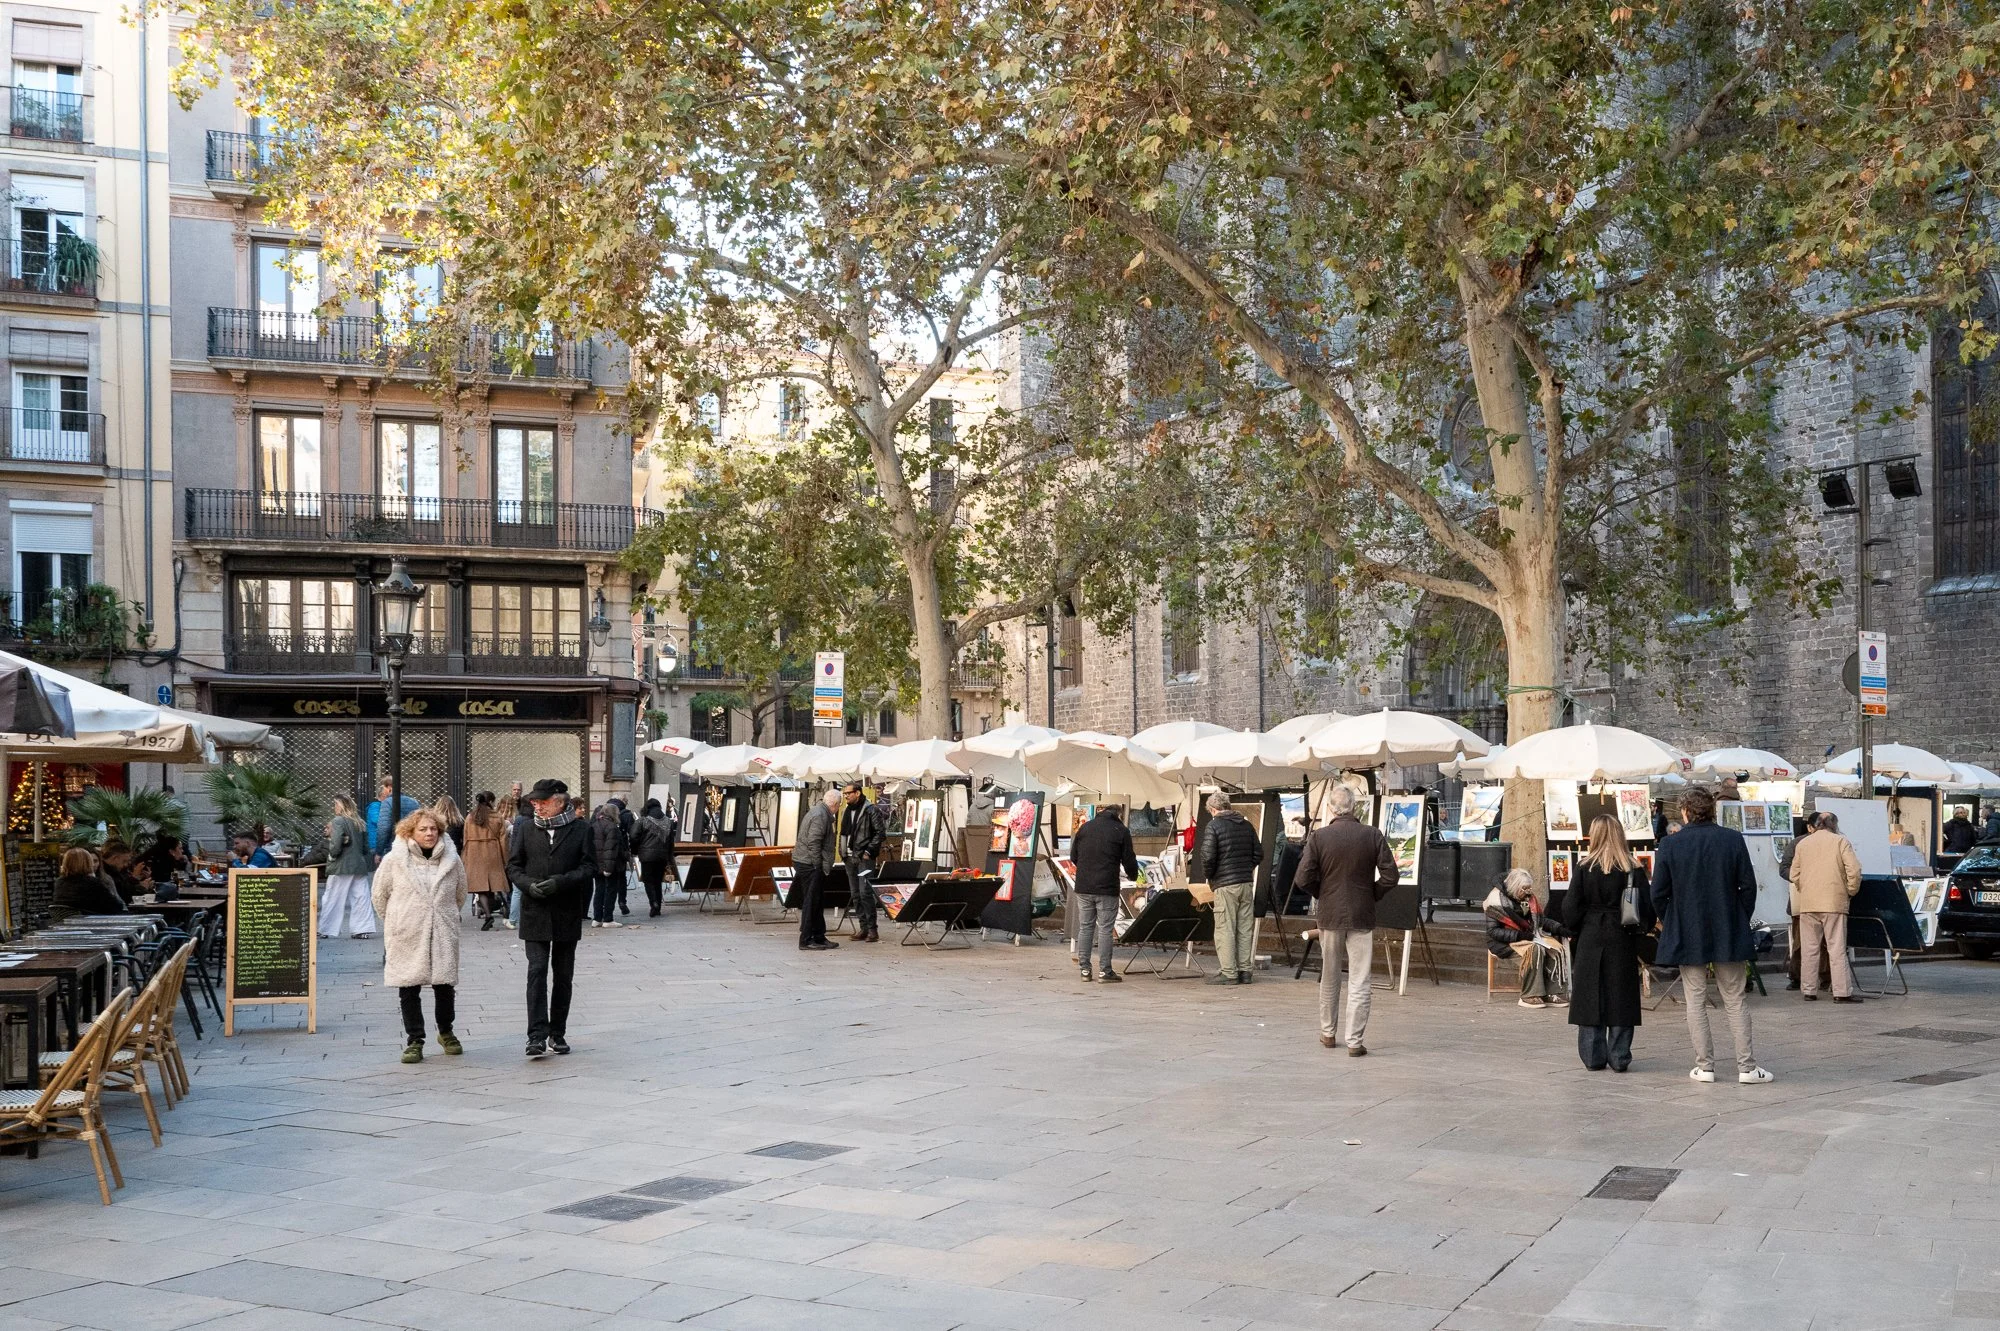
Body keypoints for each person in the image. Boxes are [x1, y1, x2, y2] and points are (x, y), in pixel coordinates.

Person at [1651, 786, 1773, 1085]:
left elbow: (1658, 892)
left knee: (1695, 998)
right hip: (1727, 926)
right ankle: (1746, 1067)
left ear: (1684, 812)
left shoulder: (1670, 845)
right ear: (1713, 810)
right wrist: (1739, 917)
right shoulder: (1732, 840)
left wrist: (1671, 919)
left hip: (1688, 928)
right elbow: (1748, 885)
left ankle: (1705, 1066)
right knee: (1735, 998)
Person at [1295, 785, 1396, 1056]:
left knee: (1329, 975)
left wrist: (1323, 892)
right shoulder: (1372, 835)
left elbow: (1303, 878)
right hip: (1362, 912)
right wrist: (1371, 893)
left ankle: (1328, 1033)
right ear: (1353, 807)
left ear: (1331, 808)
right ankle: (1354, 1041)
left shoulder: (1319, 837)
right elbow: (1391, 876)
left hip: (1329, 913)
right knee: (1360, 979)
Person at [507, 778, 597, 1057]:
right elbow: (513, 866)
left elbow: (590, 866)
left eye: (543, 802)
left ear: (560, 802)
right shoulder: (525, 828)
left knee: (563, 974)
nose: (538, 806)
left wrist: (562, 881)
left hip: (566, 909)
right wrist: (527, 885)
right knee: (536, 971)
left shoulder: (581, 829)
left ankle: (557, 1033)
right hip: (535, 910)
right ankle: (536, 1035)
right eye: (535, 802)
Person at [372, 809, 467, 1063]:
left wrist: (443, 916)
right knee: (409, 986)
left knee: (444, 984)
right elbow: (379, 896)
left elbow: (460, 894)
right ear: (410, 832)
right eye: (423, 829)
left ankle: (446, 1032)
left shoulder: (452, 859)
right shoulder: (395, 860)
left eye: (433, 829)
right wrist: (398, 920)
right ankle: (415, 1039)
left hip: (442, 928)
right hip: (407, 929)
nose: (429, 834)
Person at [1563, 816, 1653, 1071]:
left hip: (1591, 935)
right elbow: (1646, 909)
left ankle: (1592, 1056)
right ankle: (1619, 1055)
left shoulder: (1584, 868)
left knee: (1590, 994)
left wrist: (1575, 927)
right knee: (1621, 995)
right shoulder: (1632, 869)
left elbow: (1570, 908)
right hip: (1622, 936)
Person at [1788, 810, 1862, 1003]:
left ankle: (1809, 990)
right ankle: (1841, 992)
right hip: (1833, 902)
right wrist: (1850, 891)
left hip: (1808, 903)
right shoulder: (1840, 842)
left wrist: (1804, 887)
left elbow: (1793, 874)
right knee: (1836, 948)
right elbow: (1853, 870)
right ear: (1833, 825)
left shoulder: (1803, 843)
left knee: (1809, 948)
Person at [1198, 792, 1264, 986]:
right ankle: (1245, 971)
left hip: (1225, 884)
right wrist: (1246, 869)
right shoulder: (1246, 824)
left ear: (1212, 809)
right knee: (1245, 928)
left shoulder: (1214, 825)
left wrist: (1212, 876)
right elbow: (1258, 853)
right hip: (1245, 882)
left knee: (1225, 928)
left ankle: (1229, 973)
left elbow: (1207, 857)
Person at [1070, 803, 1137, 983]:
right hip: (1107, 886)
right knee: (1106, 929)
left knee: (1086, 927)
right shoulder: (1121, 830)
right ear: (1119, 814)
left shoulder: (1085, 828)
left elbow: (1073, 856)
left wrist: (1087, 869)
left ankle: (1085, 969)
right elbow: (1129, 859)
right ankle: (1105, 971)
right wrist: (1134, 876)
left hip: (1084, 887)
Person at [1485, 868, 1568, 1008]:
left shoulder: (1529, 898)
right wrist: (1519, 935)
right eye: (1524, 889)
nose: (1528, 892)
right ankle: (1530, 994)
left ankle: (1553, 992)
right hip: (1503, 942)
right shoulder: (1495, 901)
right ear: (1514, 887)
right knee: (1534, 950)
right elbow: (1493, 932)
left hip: (1529, 936)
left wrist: (1559, 928)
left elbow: (1542, 920)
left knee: (1555, 948)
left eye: (1529, 888)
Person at [319, 795, 380, 939]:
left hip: (341, 865)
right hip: (359, 865)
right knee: (361, 897)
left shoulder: (338, 821)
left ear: (342, 806)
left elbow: (336, 843)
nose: (334, 808)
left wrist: (332, 855)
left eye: (336, 804)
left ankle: (326, 929)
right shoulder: (360, 823)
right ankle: (362, 929)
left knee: (333, 897)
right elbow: (365, 848)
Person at [793, 787, 842, 951]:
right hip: (809, 864)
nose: (839, 808)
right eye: (839, 805)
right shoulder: (821, 816)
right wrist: (817, 864)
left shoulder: (820, 812)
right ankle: (805, 939)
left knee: (817, 900)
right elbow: (814, 842)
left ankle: (819, 936)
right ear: (835, 804)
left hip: (807, 862)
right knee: (811, 901)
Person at [838, 782, 888, 943]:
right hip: (849, 858)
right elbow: (844, 832)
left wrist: (868, 852)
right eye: (844, 793)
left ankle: (873, 929)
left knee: (865, 892)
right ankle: (863, 928)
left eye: (848, 793)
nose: (846, 796)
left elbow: (880, 833)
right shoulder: (847, 811)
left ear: (857, 793)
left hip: (864, 858)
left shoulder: (870, 810)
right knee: (855, 894)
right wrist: (842, 852)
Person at [463, 792, 512, 931]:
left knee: (481, 887)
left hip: (474, 852)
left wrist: (465, 856)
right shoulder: (497, 817)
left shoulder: (470, 817)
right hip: (492, 850)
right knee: (494, 883)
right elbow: (503, 840)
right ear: (491, 801)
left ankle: (488, 914)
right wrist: (505, 859)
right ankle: (503, 906)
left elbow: (465, 838)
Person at [632, 798, 676, 917]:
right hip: (662, 856)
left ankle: (653, 903)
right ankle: (658, 907)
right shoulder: (668, 821)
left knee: (648, 881)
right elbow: (671, 841)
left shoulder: (642, 821)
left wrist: (635, 850)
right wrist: (669, 856)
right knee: (658, 881)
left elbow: (633, 837)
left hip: (646, 857)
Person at [588, 801, 629, 928]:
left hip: (597, 864)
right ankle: (608, 918)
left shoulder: (594, 825)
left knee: (599, 890)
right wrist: (609, 868)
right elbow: (611, 849)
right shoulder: (612, 827)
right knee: (611, 891)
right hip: (610, 865)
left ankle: (597, 917)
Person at [54, 848, 124, 914]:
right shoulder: (92, 883)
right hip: (90, 922)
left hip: (64, 923)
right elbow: (116, 906)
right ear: (87, 863)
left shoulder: (59, 882)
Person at [366, 779, 419, 861]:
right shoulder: (414, 802)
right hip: (411, 844)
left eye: (383, 787)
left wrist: (379, 852)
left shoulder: (387, 802)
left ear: (389, 788)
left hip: (392, 846)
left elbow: (384, 828)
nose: (383, 791)